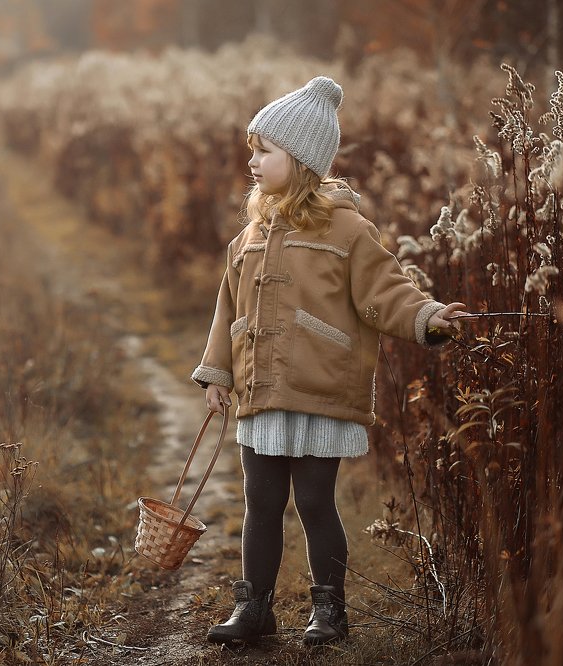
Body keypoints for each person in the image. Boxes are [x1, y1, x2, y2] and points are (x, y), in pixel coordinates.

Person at [191, 76, 468, 647]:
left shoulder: (346, 230)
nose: (254, 163)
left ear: (302, 159)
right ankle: (255, 610)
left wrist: (428, 316)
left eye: (265, 151)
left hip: (321, 389)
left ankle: (330, 612)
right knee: (260, 502)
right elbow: (227, 307)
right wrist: (218, 373)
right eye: (254, 151)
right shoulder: (249, 236)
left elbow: (386, 289)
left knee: (315, 501)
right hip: (261, 388)